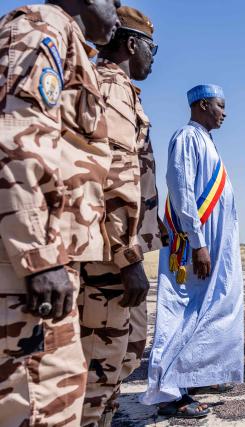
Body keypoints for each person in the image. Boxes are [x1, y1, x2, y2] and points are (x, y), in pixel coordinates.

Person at [0, 1, 120, 425]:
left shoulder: (65, 38)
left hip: (46, 258)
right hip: (26, 268)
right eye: (115, 2)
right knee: (39, 404)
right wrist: (39, 256)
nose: (118, 14)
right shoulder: (38, 28)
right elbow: (14, 140)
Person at [79, 7, 164, 426]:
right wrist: (128, 259)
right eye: (153, 47)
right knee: (99, 365)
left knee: (117, 359)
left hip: (111, 251)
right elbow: (112, 180)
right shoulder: (112, 87)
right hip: (109, 260)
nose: (155, 57)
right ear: (132, 44)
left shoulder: (119, 89)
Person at [142, 84, 244, 419]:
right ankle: (170, 392)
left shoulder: (206, 140)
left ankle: (195, 376)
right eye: (220, 105)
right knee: (183, 313)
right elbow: (182, 191)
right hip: (193, 248)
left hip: (213, 246)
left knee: (211, 310)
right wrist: (198, 243)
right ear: (202, 105)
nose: (225, 112)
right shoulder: (186, 137)